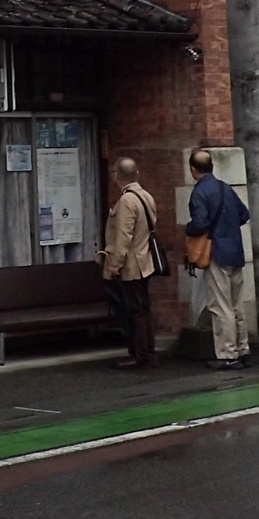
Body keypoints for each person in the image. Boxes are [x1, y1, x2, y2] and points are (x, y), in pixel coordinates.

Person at [184, 149, 251, 369]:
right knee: (236, 306)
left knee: (220, 307)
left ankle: (227, 354)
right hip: (235, 252)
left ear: (193, 170)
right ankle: (243, 349)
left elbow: (200, 223)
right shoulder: (225, 188)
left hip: (216, 254)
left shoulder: (200, 193)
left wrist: (189, 228)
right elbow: (244, 214)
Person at [98, 157, 159, 368]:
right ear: (137, 174)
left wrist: (114, 266)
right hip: (146, 261)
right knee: (143, 309)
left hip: (132, 265)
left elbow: (123, 237)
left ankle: (141, 354)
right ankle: (149, 351)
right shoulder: (146, 196)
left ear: (117, 176)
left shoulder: (126, 201)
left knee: (135, 311)